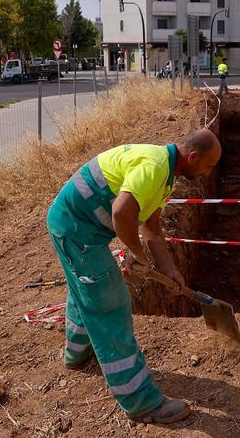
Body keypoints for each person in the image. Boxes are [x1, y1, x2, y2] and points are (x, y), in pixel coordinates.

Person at [46, 129, 222, 423]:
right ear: (192, 157)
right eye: (208, 166)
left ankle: (76, 355)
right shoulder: (154, 167)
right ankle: (141, 402)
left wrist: (170, 269)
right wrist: (137, 254)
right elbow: (121, 212)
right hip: (75, 232)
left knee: (86, 293)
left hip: (77, 228)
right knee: (110, 304)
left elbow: (151, 226)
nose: (207, 173)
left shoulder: (166, 173)